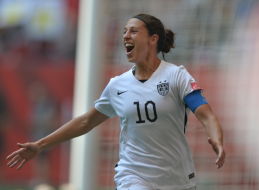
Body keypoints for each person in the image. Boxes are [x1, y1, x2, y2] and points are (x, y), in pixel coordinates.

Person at [6, 13, 225, 190]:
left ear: (153, 38)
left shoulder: (177, 76)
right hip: (133, 176)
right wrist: (40, 145)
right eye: (124, 32)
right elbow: (86, 121)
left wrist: (216, 138)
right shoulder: (117, 85)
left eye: (133, 31)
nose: (126, 36)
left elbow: (205, 114)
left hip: (177, 177)